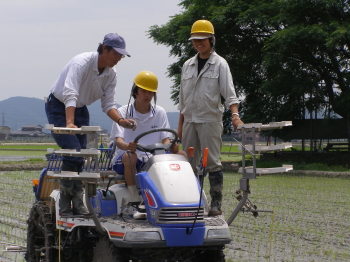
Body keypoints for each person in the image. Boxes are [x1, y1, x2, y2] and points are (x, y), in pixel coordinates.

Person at [45, 33, 136, 216]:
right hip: (59, 106)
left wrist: (120, 120)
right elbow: (70, 92)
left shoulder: (111, 74)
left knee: (83, 155)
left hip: (81, 108)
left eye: (121, 55)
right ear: (104, 48)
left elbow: (108, 104)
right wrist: (69, 123)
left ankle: (77, 204)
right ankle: (64, 205)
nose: (119, 58)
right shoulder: (81, 63)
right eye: (116, 54)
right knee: (73, 152)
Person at [177, 20, 244, 216]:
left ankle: (216, 203)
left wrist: (235, 115)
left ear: (211, 40)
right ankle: (193, 202)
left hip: (210, 120)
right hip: (190, 120)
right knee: (189, 163)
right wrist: (180, 126)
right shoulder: (187, 65)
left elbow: (229, 93)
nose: (198, 43)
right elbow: (182, 99)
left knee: (212, 162)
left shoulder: (220, 64)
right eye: (195, 40)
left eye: (202, 39)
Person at [110, 70, 187, 219]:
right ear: (135, 91)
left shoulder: (159, 112)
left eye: (151, 92)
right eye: (144, 91)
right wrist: (128, 146)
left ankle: (181, 196)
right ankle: (134, 200)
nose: (147, 95)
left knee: (182, 155)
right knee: (130, 156)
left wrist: (171, 145)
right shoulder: (123, 112)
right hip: (126, 157)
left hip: (152, 157)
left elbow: (165, 139)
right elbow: (118, 141)